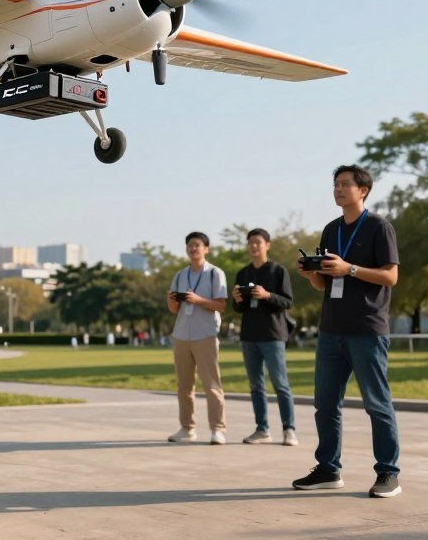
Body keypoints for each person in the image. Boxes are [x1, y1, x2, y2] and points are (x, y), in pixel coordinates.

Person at [292, 165, 401, 498]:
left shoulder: (378, 227)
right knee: (325, 404)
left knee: (376, 404)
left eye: (345, 184)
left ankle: (388, 473)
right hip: (331, 330)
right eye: (335, 184)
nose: (338, 189)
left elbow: (390, 276)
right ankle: (328, 468)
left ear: (363, 190)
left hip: (366, 328)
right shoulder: (331, 229)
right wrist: (310, 273)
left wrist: (348, 268)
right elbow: (323, 283)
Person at [232, 228, 298, 446]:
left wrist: (267, 295)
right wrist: (237, 299)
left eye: (258, 242)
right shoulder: (243, 273)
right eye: (250, 242)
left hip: (273, 335)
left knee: (280, 384)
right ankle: (262, 429)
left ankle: (289, 429)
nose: (254, 246)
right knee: (256, 385)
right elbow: (237, 308)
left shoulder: (277, 271)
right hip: (249, 336)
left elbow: (287, 302)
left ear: (267, 245)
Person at [167, 231, 228, 444]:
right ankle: (187, 428)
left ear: (206, 249)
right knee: (184, 386)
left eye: (197, 245)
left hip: (205, 334)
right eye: (190, 245)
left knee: (211, 384)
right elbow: (174, 309)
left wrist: (198, 300)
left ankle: (218, 429)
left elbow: (221, 305)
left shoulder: (214, 273)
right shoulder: (180, 275)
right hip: (182, 334)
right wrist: (172, 300)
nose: (193, 249)